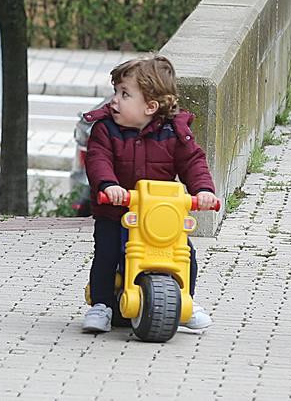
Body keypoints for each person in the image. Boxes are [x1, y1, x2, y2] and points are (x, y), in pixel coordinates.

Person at [80, 55, 217, 334]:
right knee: (106, 253)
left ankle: (183, 301)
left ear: (150, 107)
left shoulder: (174, 133)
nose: (114, 101)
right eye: (116, 92)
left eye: (125, 94)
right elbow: (98, 160)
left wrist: (203, 190)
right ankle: (102, 305)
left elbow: (193, 162)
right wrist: (108, 185)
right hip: (116, 212)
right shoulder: (105, 130)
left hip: (159, 215)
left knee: (184, 254)